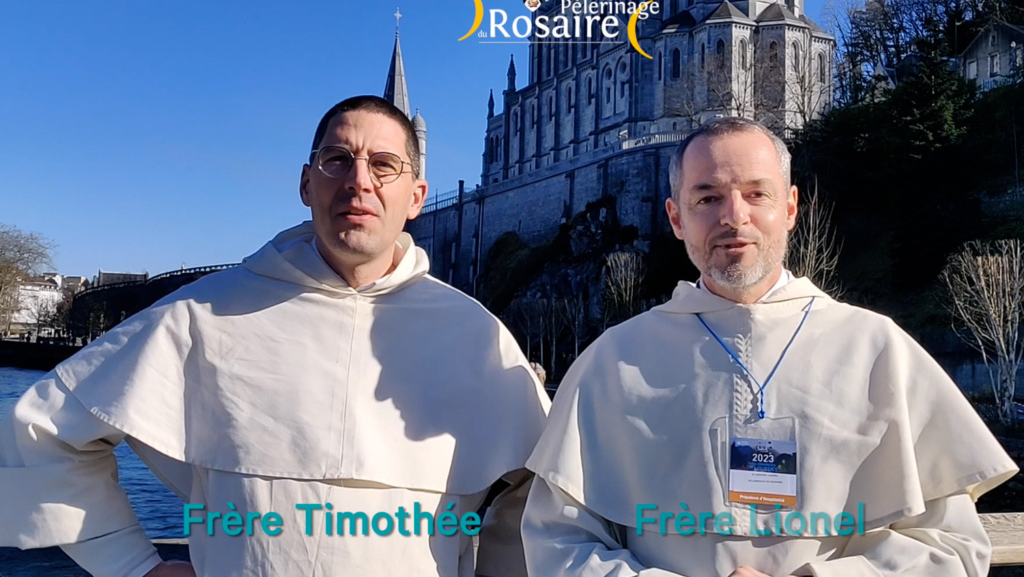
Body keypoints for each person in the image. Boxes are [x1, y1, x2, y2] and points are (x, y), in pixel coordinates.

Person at [0, 96, 550, 577]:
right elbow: (42, 431)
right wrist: (130, 564)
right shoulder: (203, 313)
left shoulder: (475, 334)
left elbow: (537, 495)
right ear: (307, 184)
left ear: (416, 197)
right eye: (338, 160)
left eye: (384, 165)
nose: (359, 181)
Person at [521, 117, 1018, 577]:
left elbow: (950, 547)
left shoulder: (879, 350)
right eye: (707, 198)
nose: (733, 216)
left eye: (756, 194)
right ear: (676, 218)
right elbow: (559, 543)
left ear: (790, 208)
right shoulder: (612, 361)